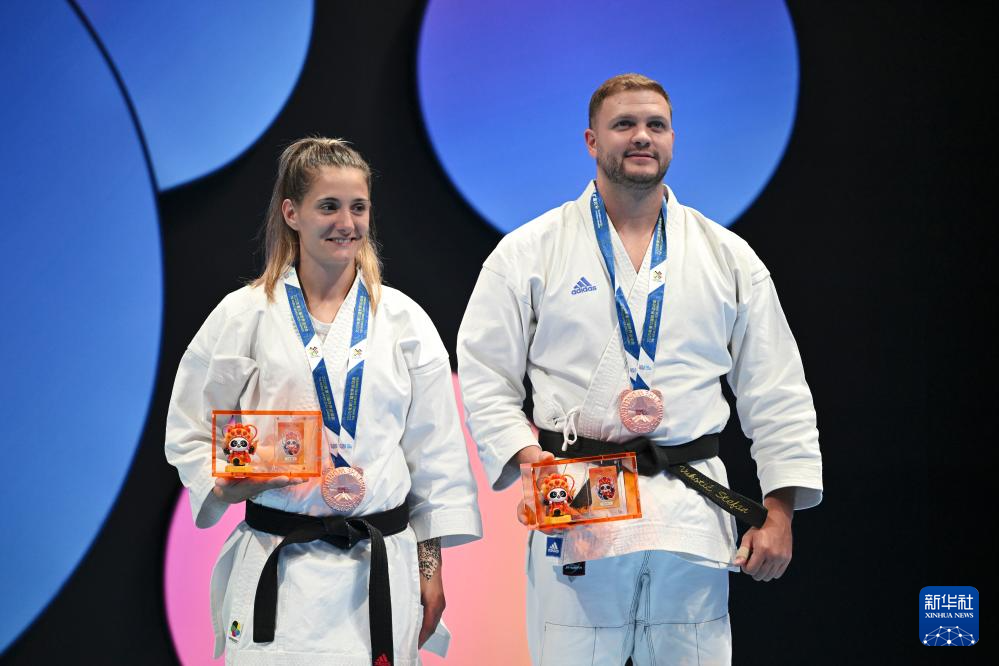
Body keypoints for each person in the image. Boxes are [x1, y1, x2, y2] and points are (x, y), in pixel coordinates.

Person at [457, 74, 822, 665]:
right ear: (591, 140)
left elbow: (776, 388)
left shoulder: (727, 257)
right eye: (624, 124)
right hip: (577, 500)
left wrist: (779, 510)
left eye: (656, 125)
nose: (642, 137)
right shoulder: (529, 251)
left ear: (673, 138)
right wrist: (527, 459)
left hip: (691, 507)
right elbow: (483, 373)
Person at [165, 137, 482, 665]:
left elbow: (437, 459)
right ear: (291, 213)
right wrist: (224, 482)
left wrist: (431, 570)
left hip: (379, 569)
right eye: (329, 206)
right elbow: (187, 429)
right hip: (279, 565)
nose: (347, 223)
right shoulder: (243, 315)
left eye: (359, 207)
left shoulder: (404, 321)